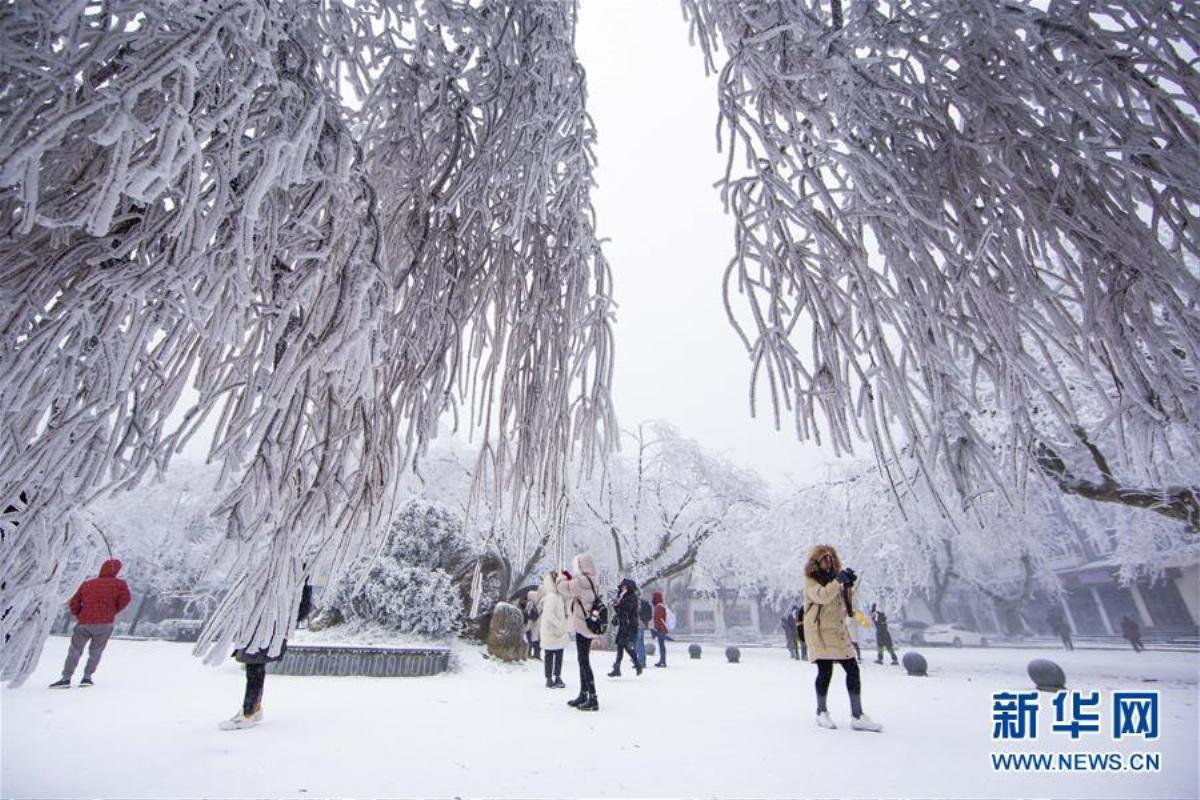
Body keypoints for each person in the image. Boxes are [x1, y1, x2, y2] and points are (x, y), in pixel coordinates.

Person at [804, 544, 882, 732]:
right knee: (825, 671)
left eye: (830, 558)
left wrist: (848, 585)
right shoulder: (811, 581)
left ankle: (857, 715)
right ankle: (821, 711)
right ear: (816, 562)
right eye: (824, 558)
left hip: (838, 632)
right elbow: (822, 596)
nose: (828, 562)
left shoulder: (834, 580)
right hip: (820, 632)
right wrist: (837, 582)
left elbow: (846, 603)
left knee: (853, 669)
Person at [220, 580, 313, 730]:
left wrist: (286, 620)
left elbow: (303, 602)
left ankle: (248, 713)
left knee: (254, 665)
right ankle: (253, 709)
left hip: (269, 622)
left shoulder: (291, 568)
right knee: (255, 666)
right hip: (264, 621)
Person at [49, 558, 132, 688]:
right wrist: (113, 611)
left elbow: (74, 602)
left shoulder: (87, 584)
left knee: (75, 650)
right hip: (105, 623)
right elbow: (125, 600)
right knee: (96, 651)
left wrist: (80, 615)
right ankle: (87, 677)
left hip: (84, 622)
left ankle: (66, 678)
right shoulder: (120, 584)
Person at [557, 553, 602, 711]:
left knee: (583, 661)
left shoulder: (580, 582)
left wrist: (562, 577)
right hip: (590, 624)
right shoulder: (593, 581)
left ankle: (592, 697)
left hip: (582, 626)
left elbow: (563, 588)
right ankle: (584, 694)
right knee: (583, 659)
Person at [538, 571, 569, 687]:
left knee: (555, 655)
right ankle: (551, 678)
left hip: (555, 632)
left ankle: (555, 677)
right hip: (552, 631)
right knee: (551, 655)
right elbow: (549, 614)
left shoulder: (557, 596)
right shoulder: (552, 597)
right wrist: (560, 624)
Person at [608, 578, 643, 677]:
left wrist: (617, 605)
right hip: (624, 624)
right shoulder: (623, 596)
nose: (622, 588)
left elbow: (626, 609)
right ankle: (617, 668)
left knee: (626, 646)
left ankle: (636, 664)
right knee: (621, 646)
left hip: (629, 625)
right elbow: (621, 610)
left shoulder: (631, 597)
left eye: (624, 586)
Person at [651, 590, 669, 667]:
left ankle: (663, 661)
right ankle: (662, 660)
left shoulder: (659, 607)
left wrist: (656, 628)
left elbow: (659, 619)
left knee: (661, 646)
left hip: (660, 629)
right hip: (661, 629)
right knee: (661, 645)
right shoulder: (661, 606)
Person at [635, 593, 652, 669]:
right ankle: (642, 661)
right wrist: (645, 621)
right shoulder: (645, 603)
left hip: (638, 625)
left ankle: (641, 661)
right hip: (642, 625)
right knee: (640, 643)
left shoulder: (637, 603)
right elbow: (650, 615)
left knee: (638, 643)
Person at [524, 587, 541, 660]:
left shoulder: (530, 603)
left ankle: (529, 653)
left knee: (529, 640)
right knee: (537, 640)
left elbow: (527, 613)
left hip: (530, 624)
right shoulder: (539, 603)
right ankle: (537, 654)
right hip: (538, 625)